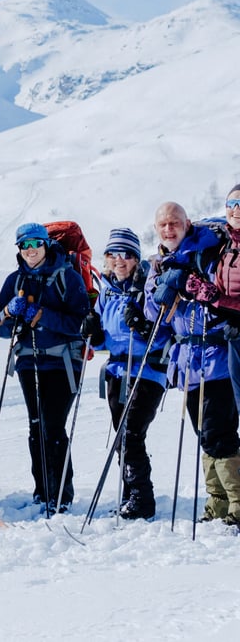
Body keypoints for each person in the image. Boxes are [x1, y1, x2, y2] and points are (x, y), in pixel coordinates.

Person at [151, 199, 240, 527]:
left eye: (175, 222)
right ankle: (217, 504)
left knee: (220, 432)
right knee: (204, 433)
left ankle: (237, 504)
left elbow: (224, 298)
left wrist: (195, 287)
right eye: (162, 225)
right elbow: (154, 315)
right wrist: (159, 289)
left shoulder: (209, 253)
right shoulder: (161, 262)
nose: (169, 229)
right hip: (188, 364)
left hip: (217, 358)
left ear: (188, 224)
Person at [0, 222, 89, 515]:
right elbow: (1, 329)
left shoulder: (67, 277)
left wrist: (40, 315)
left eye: (36, 243)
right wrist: (10, 312)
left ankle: (60, 493)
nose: (31, 250)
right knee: (36, 425)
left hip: (62, 361)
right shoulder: (14, 281)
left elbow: (80, 323)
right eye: (24, 245)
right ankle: (43, 490)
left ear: (45, 244)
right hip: (28, 361)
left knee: (52, 425)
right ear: (19, 249)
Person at [82, 228, 170, 520]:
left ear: (135, 258)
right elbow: (105, 339)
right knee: (122, 437)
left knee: (131, 433)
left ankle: (142, 499)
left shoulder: (148, 286)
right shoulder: (106, 289)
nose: (119, 261)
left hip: (147, 369)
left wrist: (143, 326)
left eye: (126, 255)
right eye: (113, 255)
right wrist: (93, 334)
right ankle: (129, 494)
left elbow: (164, 330)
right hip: (117, 371)